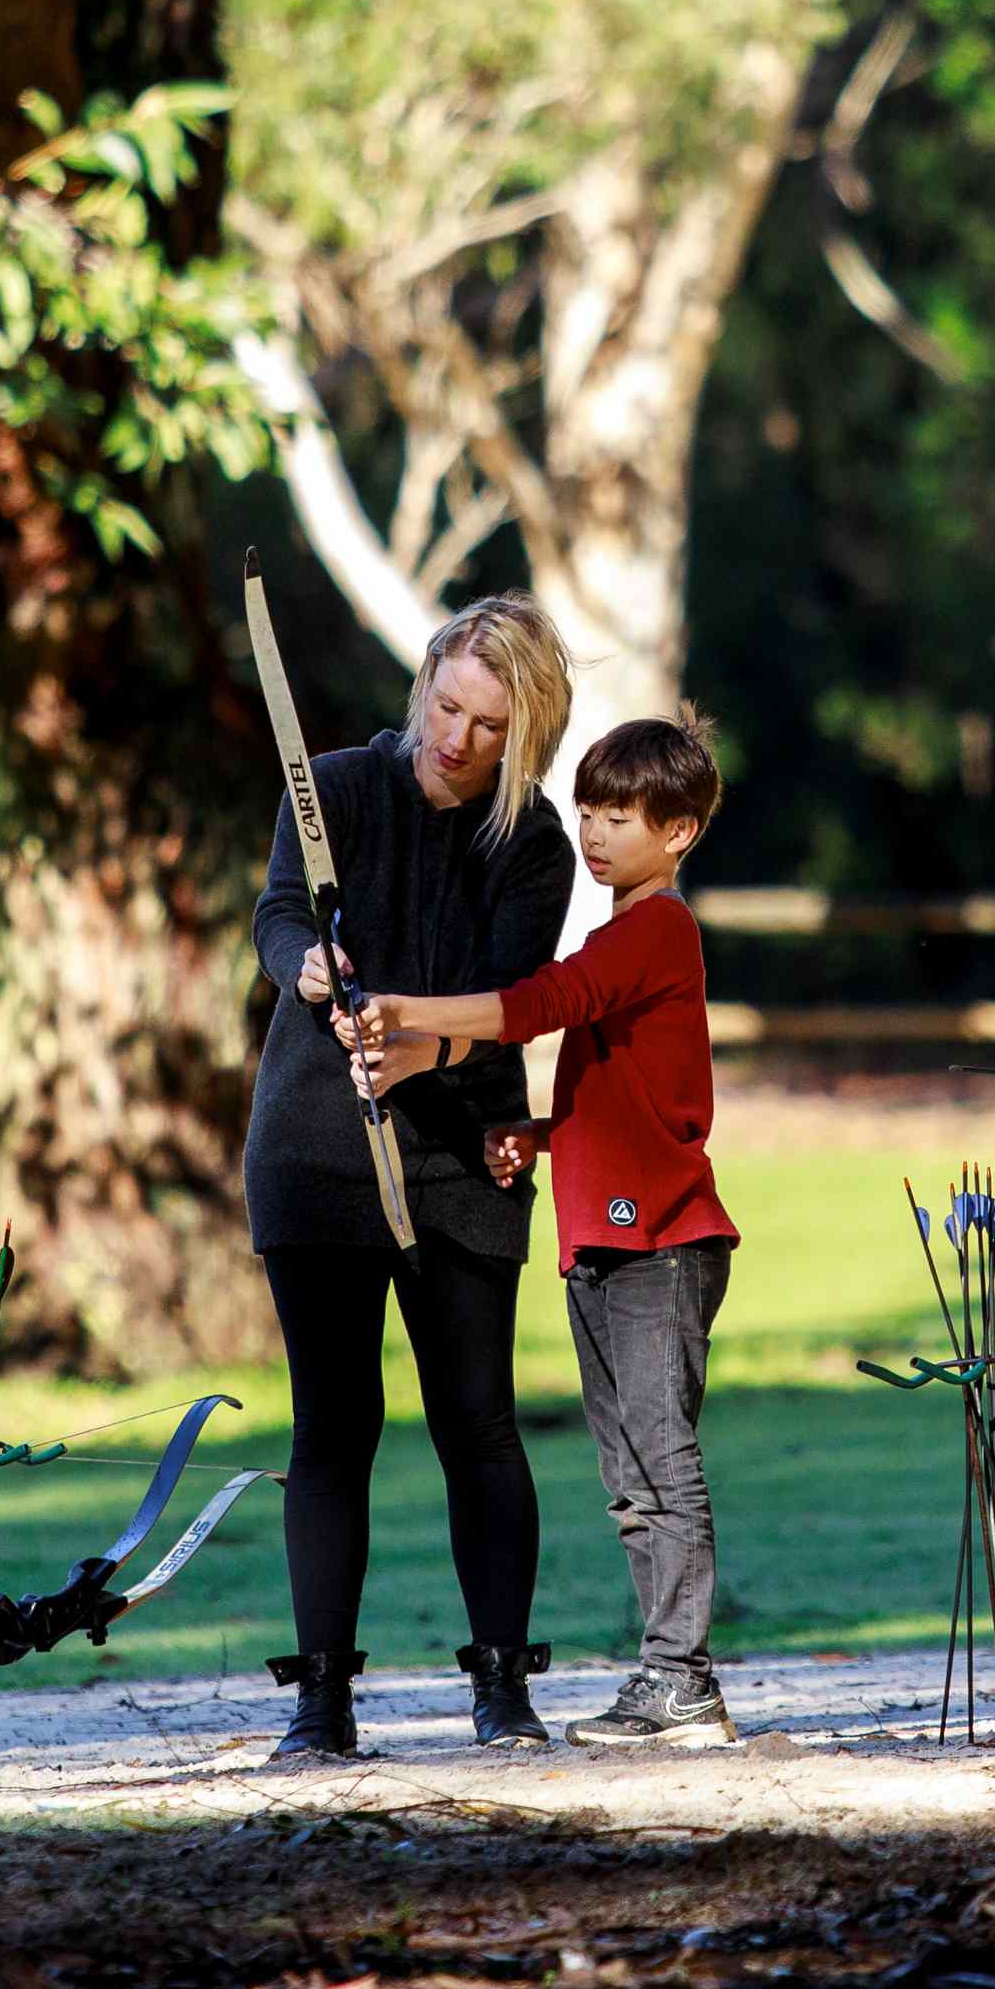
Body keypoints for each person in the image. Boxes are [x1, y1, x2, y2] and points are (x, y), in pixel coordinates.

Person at [354, 717, 740, 1750]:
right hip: (606, 1242)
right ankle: (668, 1680)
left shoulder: (656, 931)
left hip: (660, 1246)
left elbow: (539, 1006)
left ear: (681, 832)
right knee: (627, 1480)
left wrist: (402, 1012)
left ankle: (684, 1680)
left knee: (662, 1463)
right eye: (588, 810)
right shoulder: (621, 937)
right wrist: (541, 1132)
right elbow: (623, 1091)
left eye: (622, 816)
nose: (595, 833)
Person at [246, 590, 578, 1759]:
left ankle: (503, 1689)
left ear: (524, 732)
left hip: (460, 1148)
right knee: (332, 1426)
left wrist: (418, 1044)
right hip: (315, 1147)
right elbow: (281, 914)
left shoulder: (530, 839)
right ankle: (320, 1705)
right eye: (448, 707)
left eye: (491, 727)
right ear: (425, 680)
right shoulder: (329, 786)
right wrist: (314, 973)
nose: (459, 740)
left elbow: (510, 995)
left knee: (477, 1420)